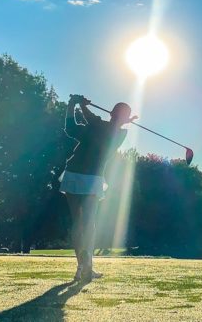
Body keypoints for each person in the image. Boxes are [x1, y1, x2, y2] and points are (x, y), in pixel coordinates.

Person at [60, 94, 132, 282]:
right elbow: (70, 128)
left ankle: (83, 266)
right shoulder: (100, 128)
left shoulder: (117, 132)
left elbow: (93, 124)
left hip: (78, 174)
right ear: (118, 115)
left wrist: (79, 105)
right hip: (87, 176)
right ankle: (85, 266)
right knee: (87, 222)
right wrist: (73, 105)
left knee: (81, 222)